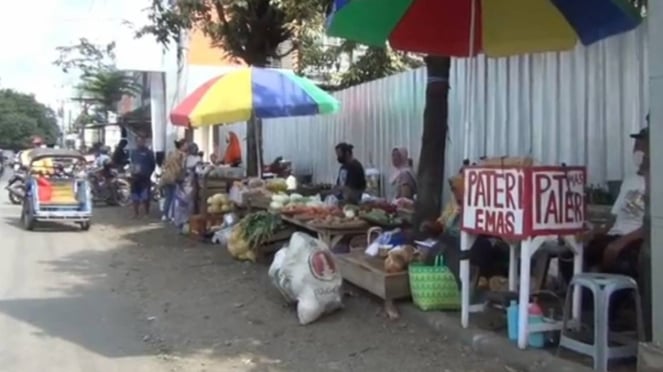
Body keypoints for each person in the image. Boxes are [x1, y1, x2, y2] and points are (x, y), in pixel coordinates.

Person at [560, 125, 648, 282]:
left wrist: (620, 243)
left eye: (643, 146)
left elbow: (649, 227)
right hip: (614, 236)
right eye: (636, 146)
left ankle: (611, 303)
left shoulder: (656, 182)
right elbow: (614, 218)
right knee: (568, 257)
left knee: (619, 264)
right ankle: (584, 302)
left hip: (636, 242)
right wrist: (595, 233)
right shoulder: (630, 179)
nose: (638, 151)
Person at [160, 139, 188, 221]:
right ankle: (172, 215)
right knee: (175, 197)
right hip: (175, 177)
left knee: (168, 196)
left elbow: (165, 164)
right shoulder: (182, 155)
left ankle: (165, 214)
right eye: (186, 145)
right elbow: (182, 167)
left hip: (167, 177)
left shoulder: (171, 153)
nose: (187, 146)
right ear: (182, 146)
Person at [129, 137, 156, 218]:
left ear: (144, 142)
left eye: (141, 141)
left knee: (145, 196)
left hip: (145, 178)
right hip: (135, 177)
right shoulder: (134, 152)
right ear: (136, 142)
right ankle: (135, 213)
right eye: (138, 141)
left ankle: (146, 213)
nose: (140, 143)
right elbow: (132, 163)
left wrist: (148, 173)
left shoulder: (149, 152)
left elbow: (153, 165)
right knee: (135, 196)